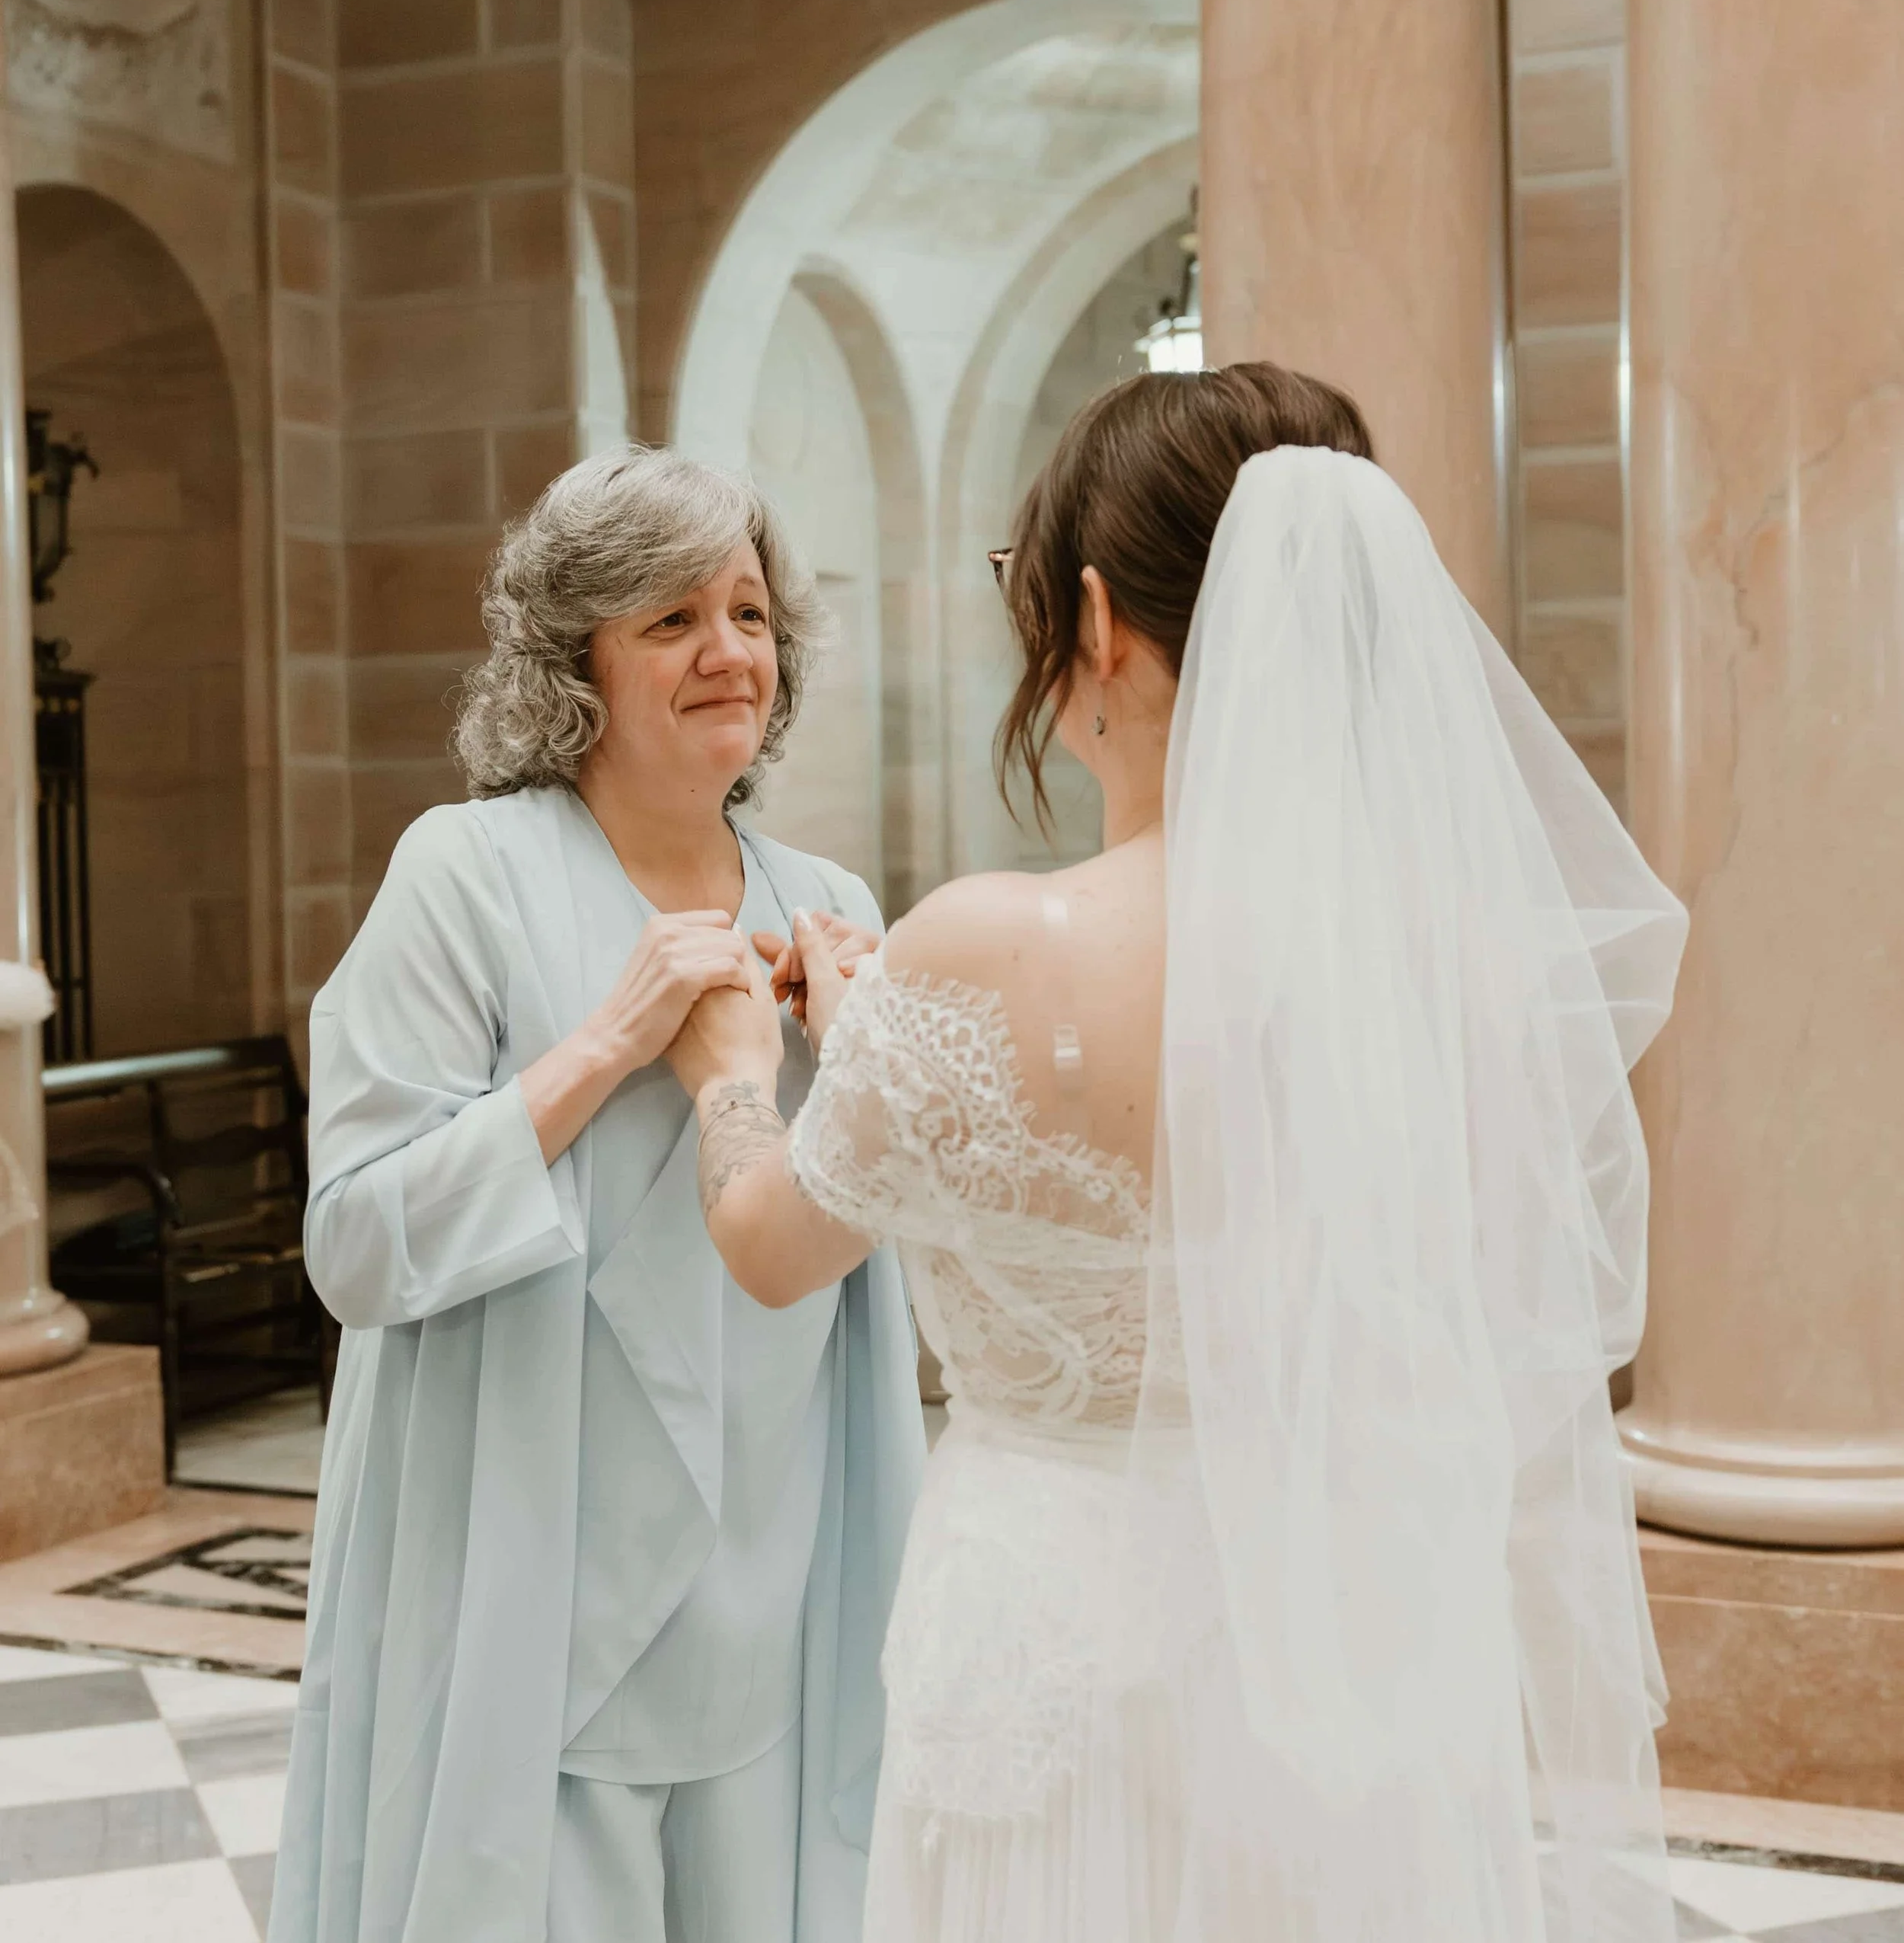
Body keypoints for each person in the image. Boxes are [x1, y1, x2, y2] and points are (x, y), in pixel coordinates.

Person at [669, 361, 1688, 1943]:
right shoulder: (1433, 960)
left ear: (1094, 622)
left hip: (1055, 1635)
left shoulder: (982, 947)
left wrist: (743, 1068)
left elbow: (771, 1247)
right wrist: (889, 1031)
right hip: (1354, 1629)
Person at [271, 448, 925, 1943]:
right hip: (529, 1557)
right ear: (577, 658)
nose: (727, 654)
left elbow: (874, 1236)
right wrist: (610, 1043)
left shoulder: (830, 900)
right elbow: (354, 1244)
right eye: (670, 619)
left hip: (775, 1548)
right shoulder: (466, 873)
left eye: (749, 613)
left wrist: (869, 1051)